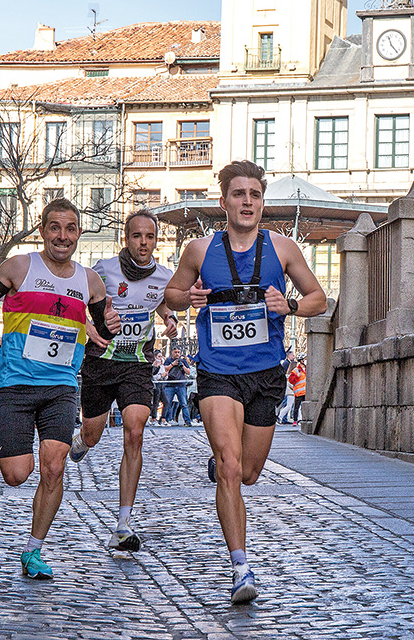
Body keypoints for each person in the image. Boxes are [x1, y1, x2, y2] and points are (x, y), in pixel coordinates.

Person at [164, 160, 327, 604]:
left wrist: (288, 306)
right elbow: (172, 295)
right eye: (239, 194)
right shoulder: (199, 250)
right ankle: (240, 566)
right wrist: (189, 297)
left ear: (262, 202)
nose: (247, 202)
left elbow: (318, 298)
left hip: (265, 375)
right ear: (224, 202)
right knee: (232, 466)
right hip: (218, 373)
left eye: (254, 195)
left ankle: (226, 469)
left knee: (249, 473)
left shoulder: (283, 248)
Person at [0, 197, 120, 580]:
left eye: (70, 229)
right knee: (18, 474)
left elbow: (103, 328)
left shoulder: (89, 281)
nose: (62, 236)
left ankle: (34, 550)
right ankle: (21, 460)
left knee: (54, 467)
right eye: (55, 227)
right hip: (17, 384)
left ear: (79, 235)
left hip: (61, 385)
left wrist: (110, 325)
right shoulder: (20, 266)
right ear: (43, 231)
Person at [67, 208, 178, 552]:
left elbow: (161, 303)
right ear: (125, 239)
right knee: (93, 433)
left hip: (137, 364)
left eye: (149, 237)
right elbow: (76, 301)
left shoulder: (164, 276)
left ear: (156, 240)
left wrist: (170, 317)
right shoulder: (103, 269)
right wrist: (88, 327)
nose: (143, 243)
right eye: (136, 236)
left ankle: (123, 522)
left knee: (135, 428)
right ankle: (83, 440)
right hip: (100, 362)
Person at [162, 347, 191, 426]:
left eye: (178, 352)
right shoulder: (168, 360)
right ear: (172, 352)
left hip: (181, 385)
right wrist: (173, 364)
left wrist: (183, 366)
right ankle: (166, 420)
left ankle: (187, 421)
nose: (177, 354)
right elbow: (165, 369)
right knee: (167, 403)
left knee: (184, 404)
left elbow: (188, 372)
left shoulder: (183, 361)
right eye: (175, 352)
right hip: (170, 384)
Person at [287, 356, 306, 425]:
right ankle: (295, 420)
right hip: (299, 392)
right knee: (296, 407)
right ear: (301, 360)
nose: (305, 360)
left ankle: (304, 419)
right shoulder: (296, 370)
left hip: (306, 392)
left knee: (305, 407)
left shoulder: (307, 369)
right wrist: (296, 376)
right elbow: (291, 380)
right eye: (304, 359)